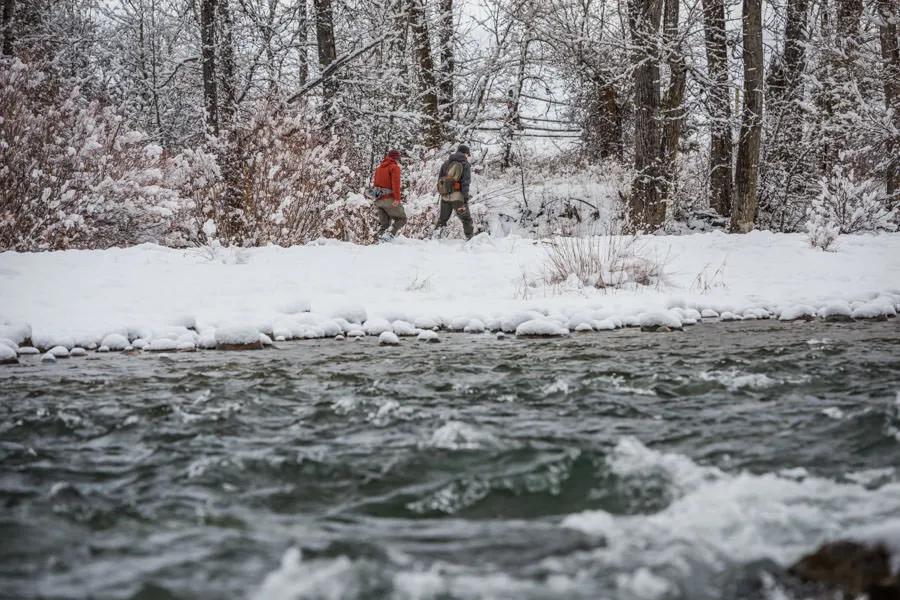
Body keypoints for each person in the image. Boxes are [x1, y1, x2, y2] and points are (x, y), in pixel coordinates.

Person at [434, 144, 474, 240]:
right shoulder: (465, 164)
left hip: (445, 197)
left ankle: (435, 238)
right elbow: (465, 182)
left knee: (442, 219)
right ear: (465, 153)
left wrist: (443, 192)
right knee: (466, 219)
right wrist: (465, 197)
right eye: (468, 155)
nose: (467, 157)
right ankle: (471, 239)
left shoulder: (446, 163)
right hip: (458, 198)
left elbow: (440, 180)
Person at [370, 149, 407, 242]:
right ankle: (389, 235)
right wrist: (397, 198)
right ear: (396, 158)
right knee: (402, 219)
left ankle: (378, 240)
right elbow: (396, 184)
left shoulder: (379, 168)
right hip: (389, 199)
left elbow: (375, 184)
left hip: (378, 200)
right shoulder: (394, 167)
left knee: (385, 225)